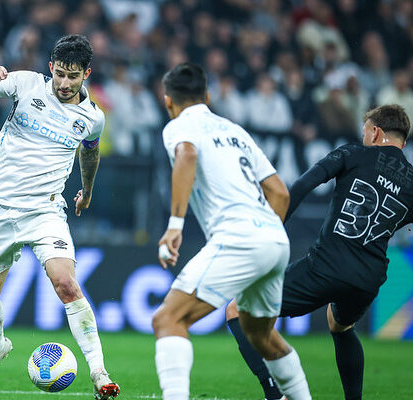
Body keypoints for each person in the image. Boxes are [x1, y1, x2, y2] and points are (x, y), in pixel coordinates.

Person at [0, 34, 120, 399]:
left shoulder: (92, 118)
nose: (64, 84)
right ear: (51, 68)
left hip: (46, 210)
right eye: (59, 74)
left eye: (72, 77)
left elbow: (89, 154)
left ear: (86, 75)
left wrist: (88, 190)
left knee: (67, 284)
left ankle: (99, 372)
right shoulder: (25, 83)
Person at [225, 103, 413, 400]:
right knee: (340, 324)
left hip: (326, 266)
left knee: (239, 309)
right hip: (368, 278)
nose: (364, 137)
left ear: (375, 132)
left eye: (366, 132)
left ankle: (275, 395)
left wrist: (272, 228)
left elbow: (301, 186)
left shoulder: (353, 154)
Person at [152, 62, 312, 400]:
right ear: (208, 96)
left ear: (168, 101)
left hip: (238, 237)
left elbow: (187, 155)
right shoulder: (234, 129)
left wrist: (174, 226)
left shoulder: (178, 126)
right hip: (274, 238)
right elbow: (280, 193)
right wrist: (265, 234)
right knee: (260, 334)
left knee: (168, 319)